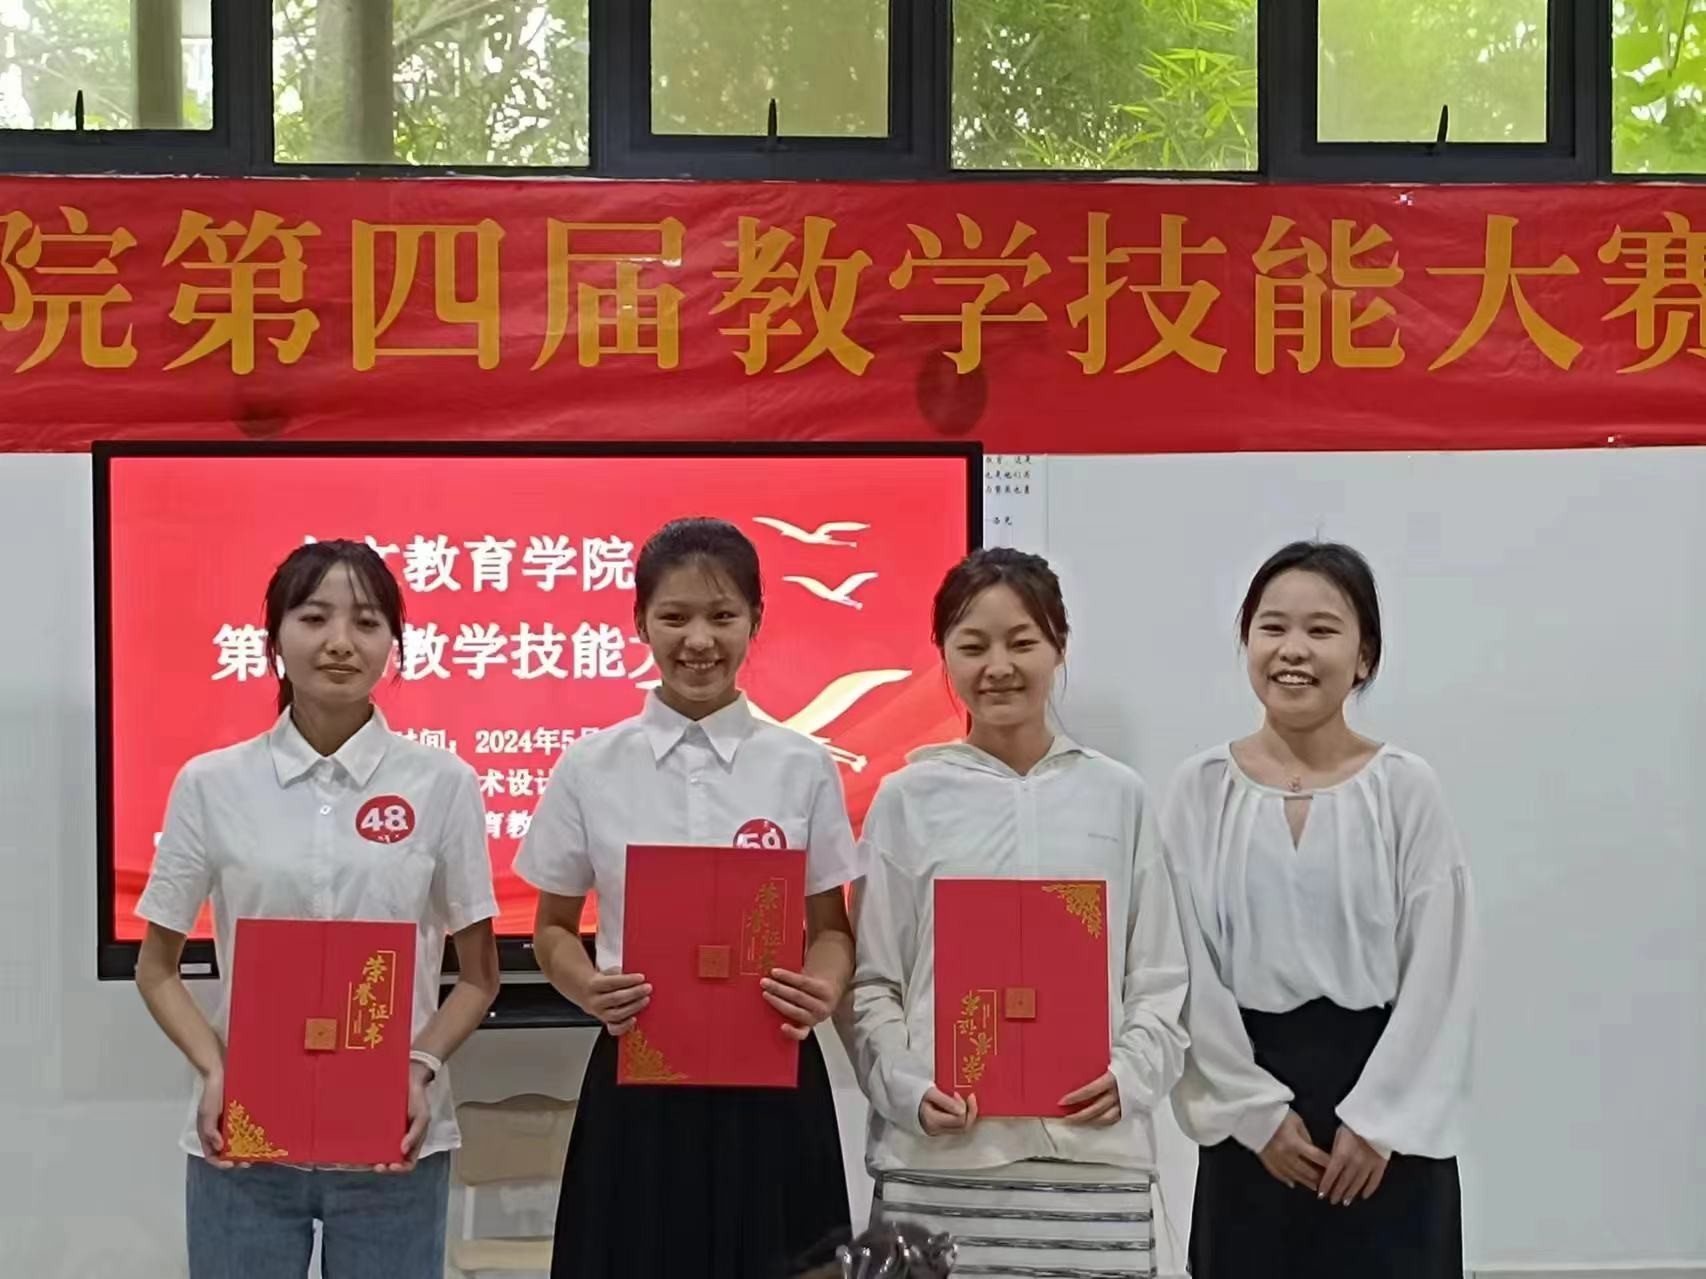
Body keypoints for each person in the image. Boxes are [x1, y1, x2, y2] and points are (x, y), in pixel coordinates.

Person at [134, 538, 501, 1279]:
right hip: (243, 1141)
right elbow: (156, 968)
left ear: (393, 644)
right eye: (313, 617)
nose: (340, 641)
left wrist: (419, 1067)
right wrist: (216, 1069)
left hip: (394, 1139)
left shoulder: (444, 783)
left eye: (366, 622)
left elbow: (479, 976)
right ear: (274, 640)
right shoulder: (211, 783)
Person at [517, 516, 860, 1279]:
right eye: (674, 615)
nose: (699, 639)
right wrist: (588, 987)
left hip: (774, 1074)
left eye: (722, 615)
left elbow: (832, 928)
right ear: (640, 621)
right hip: (640, 1076)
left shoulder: (802, 765)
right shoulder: (591, 766)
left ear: (756, 620)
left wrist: (824, 983)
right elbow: (552, 929)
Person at [848, 547, 1188, 1278]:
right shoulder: (906, 800)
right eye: (972, 646)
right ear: (943, 655)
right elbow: (872, 981)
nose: (997, 666)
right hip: (938, 1161)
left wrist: (1130, 1076)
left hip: (1096, 1167)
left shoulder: (1118, 796)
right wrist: (908, 1089)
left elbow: (1159, 976)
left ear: (1059, 646)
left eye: (1022, 642)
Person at [1163, 540, 1474, 1279]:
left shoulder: (1406, 788)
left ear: (1364, 656)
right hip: (1251, 1122)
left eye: (1322, 629)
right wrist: (1255, 1113)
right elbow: (1182, 966)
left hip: (1385, 1125)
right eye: (1271, 627)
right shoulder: (1200, 788)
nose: (1293, 649)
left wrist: (1378, 1121)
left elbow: (1441, 972)